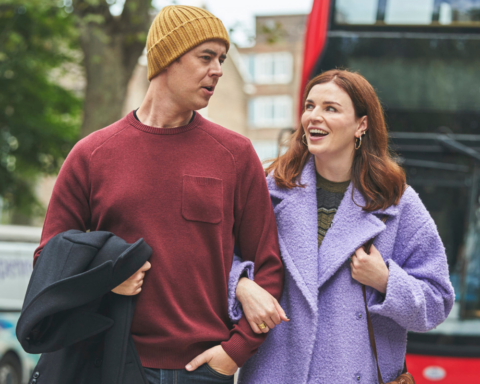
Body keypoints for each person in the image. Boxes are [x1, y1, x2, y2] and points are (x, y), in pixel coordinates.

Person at [33, 6, 284, 384]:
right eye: (206, 57)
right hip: (111, 363)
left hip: (205, 369)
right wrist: (102, 279)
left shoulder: (235, 154)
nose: (217, 69)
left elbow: (267, 264)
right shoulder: (92, 155)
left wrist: (234, 353)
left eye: (222, 59)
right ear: (168, 56)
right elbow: (48, 258)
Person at [230, 69, 455, 383]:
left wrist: (387, 281)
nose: (314, 117)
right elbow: (220, 258)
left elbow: (438, 301)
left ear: (361, 125)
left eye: (330, 108)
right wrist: (241, 286)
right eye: (310, 106)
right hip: (274, 373)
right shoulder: (271, 191)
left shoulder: (397, 203)